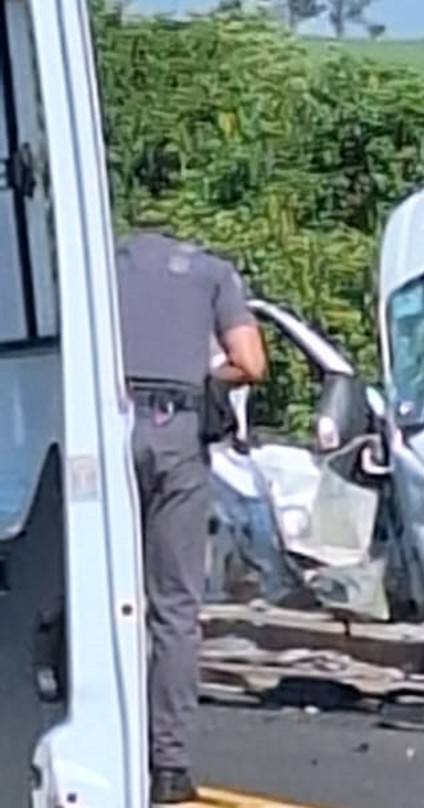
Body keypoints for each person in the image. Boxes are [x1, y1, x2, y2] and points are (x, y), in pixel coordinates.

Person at [115, 231, 267, 804]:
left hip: (105, 426)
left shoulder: (98, 265)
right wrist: (207, 378)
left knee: (90, 592)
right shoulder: (213, 272)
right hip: (176, 434)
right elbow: (250, 363)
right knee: (174, 608)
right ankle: (168, 766)